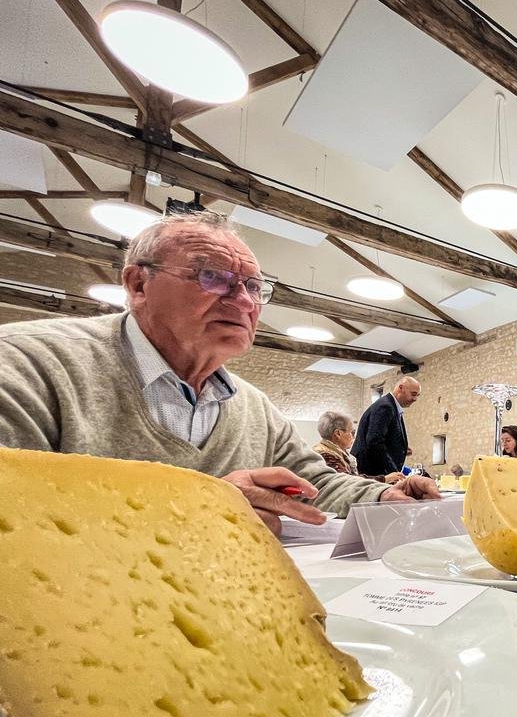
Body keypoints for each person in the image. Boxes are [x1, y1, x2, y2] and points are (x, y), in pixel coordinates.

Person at [0, 211, 438, 535]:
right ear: (137, 285)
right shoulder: (29, 367)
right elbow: (17, 525)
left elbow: (315, 483)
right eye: (212, 277)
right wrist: (203, 507)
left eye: (251, 287)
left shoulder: (253, 408)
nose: (244, 302)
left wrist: (382, 495)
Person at [352, 376, 420, 477]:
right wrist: (393, 471)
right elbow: (374, 442)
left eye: (417, 395)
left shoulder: (391, 406)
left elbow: (382, 437)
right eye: (413, 394)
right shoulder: (385, 407)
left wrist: (400, 448)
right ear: (400, 388)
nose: (415, 399)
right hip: (374, 471)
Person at [314, 410, 402, 483]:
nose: (354, 437)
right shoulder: (326, 455)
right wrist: (385, 479)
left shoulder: (333, 451)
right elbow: (350, 482)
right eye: (352, 432)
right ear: (338, 434)